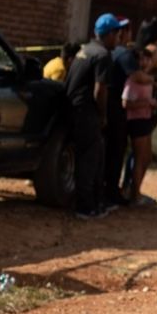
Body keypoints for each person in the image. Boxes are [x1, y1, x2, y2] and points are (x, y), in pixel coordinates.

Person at [64, 14, 121, 219]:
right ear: (110, 34)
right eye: (117, 34)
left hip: (73, 110)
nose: (119, 39)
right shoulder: (103, 55)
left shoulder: (83, 50)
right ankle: (84, 207)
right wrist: (102, 115)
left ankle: (94, 203)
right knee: (89, 160)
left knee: (89, 157)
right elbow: (100, 90)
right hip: (87, 113)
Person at [103, 16, 135, 207]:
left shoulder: (108, 52)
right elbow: (137, 76)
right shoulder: (124, 54)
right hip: (116, 108)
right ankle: (111, 193)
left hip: (104, 105)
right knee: (116, 151)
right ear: (124, 33)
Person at [122, 45, 157, 204]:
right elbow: (126, 103)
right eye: (142, 58)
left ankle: (135, 191)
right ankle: (134, 195)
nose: (145, 61)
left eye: (148, 58)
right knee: (139, 158)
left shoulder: (145, 77)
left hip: (145, 120)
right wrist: (147, 103)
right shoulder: (133, 79)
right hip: (137, 121)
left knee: (146, 158)